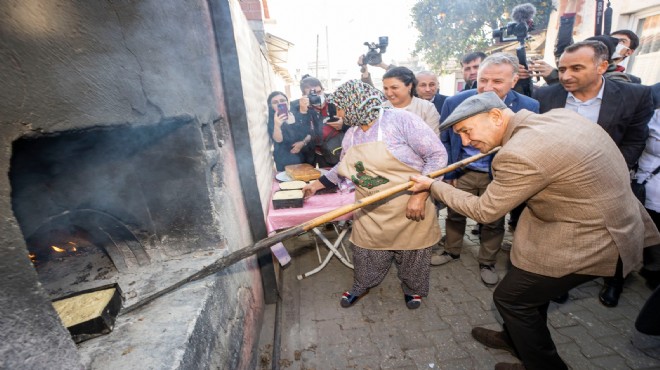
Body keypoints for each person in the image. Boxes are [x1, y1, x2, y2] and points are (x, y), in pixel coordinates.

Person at [410, 92, 660, 370]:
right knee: (525, 288)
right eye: (460, 136)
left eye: (466, 132)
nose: (466, 142)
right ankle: (515, 339)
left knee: (511, 299)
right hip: (591, 220)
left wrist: (433, 186)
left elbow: (485, 211)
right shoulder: (558, 117)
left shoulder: (519, 153)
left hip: (592, 238)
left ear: (495, 116)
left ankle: (544, 366)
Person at [302, 80, 447, 309]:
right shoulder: (352, 134)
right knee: (366, 252)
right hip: (370, 211)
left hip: (410, 205)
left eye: (340, 107)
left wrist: (419, 196)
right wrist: (315, 185)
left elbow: (437, 157)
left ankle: (412, 289)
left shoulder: (401, 120)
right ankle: (362, 285)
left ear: (355, 103)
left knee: (413, 253)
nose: (338, 113)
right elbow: (342, 169)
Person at [533, 40, 653, 306]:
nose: (565, 76)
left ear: (602, 66)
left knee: (617, 237)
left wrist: (609, 171)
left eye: (576, 68)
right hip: (560, 185)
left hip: (611, 183)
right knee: (562, 239)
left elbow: (635, 140)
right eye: (562, 69)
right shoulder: (545, 96)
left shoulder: (635, 95)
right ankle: (559, 282)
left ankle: (614, 282)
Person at [435, 53, 539, 287]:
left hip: (500, 174)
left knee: (493, 218)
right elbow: (445, 140)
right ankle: (451, 250)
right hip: (463, 170)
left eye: (497, 82)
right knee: (454, 212)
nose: (487, 87)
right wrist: (449, 173)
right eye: (483, 80)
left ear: (514, 81)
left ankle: (487, 261)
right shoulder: (455, 102)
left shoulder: (528, 106)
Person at [292, 77, 349, 167]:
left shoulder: (336, 101)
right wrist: (302, 112)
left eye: (319, 92)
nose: (317, 97)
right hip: (312, 153)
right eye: (312, 94)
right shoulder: (296, 106)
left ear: (323, 89)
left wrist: (343, 125)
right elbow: (298, 134)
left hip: (335, 151)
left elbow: (355, 124)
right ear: (304, 95)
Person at [382, 66, 441, 136]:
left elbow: (433, 140)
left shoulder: (427, 108)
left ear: (409, 85)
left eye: (394, 88)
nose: (389, 93)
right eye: (386, 88)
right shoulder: (380, 109)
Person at [266, 91, 316, 171]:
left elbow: (310, 133)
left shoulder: (296, 113)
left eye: (282, 101)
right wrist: (277, 125)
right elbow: (278, 140)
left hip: (304, 156)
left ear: (287, 102)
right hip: (285, 159)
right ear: (271, 106)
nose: (279, 104)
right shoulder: (272, 120)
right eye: (275, 102)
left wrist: (303, 143)